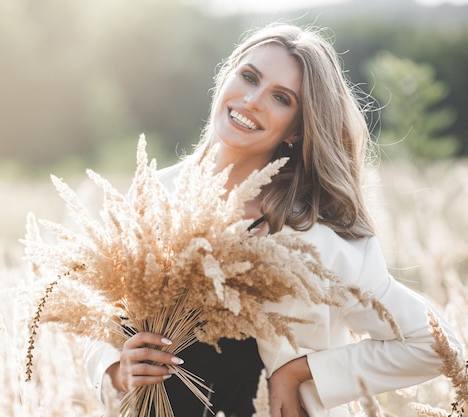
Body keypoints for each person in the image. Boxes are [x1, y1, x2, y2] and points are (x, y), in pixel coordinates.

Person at [84, 22, 462, 417]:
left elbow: (435, 344)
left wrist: (301, 373)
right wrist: (115, 368)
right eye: (248, 77)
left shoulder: (317, 230)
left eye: (281, 98)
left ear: (297, 129)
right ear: (226, 75)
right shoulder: (153, 194)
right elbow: (103, 317)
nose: (252, 100)